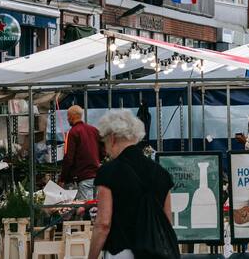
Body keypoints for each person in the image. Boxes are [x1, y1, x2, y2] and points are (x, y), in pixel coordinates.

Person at [88, 110, 176, 259]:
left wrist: (91, 257)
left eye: (104, 143)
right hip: (156, 253)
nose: (105, 150)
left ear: (112, 138)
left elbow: (103, 224)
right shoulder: (161, 173)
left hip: (122, 253)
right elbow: (167, 220)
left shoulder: (108, 172)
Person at [59, 105, 102, 200]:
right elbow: (103, 149)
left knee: (84, 209)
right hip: (97, 175)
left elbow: (69, 158)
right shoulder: (93, 130)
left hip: (83, 176)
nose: (67, 118)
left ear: (72, 116)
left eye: (68, 116)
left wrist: (63, 178)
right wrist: (97, 160)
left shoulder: (73, 132)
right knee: (95, 208)